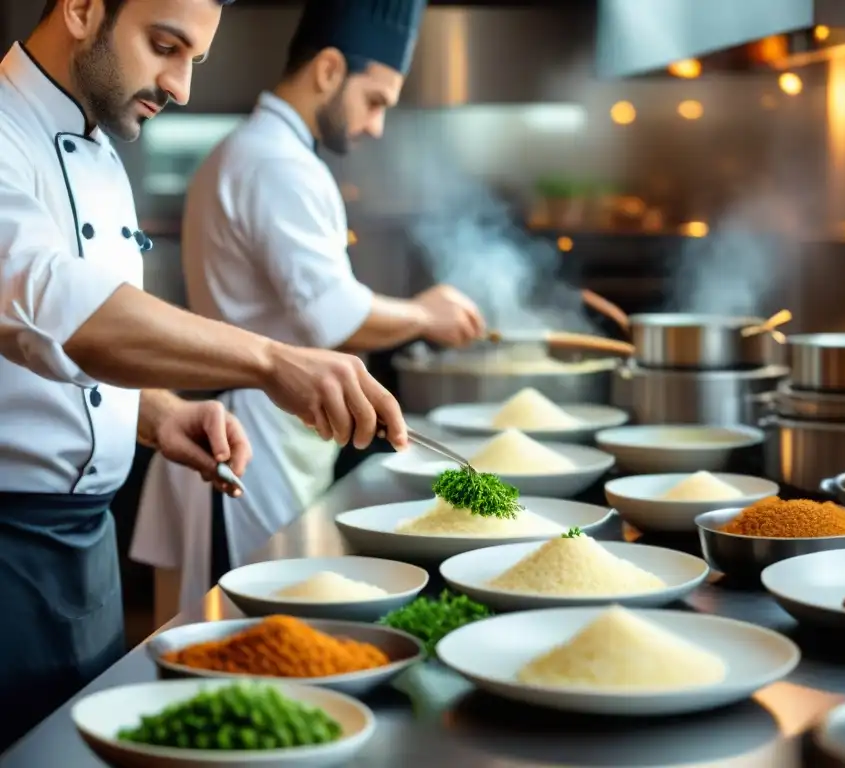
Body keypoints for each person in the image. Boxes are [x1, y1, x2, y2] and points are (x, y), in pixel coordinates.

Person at [0, 0, 408, 748]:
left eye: (194, 59)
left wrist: (154, 413)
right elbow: (53, 305)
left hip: (88, 560)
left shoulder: (99, 143)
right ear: (85, 8)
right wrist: (269, 359)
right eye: (165, 46)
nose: (182, 86)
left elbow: (45, 357)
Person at [131, 0, 485, 616]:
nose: (375, 125)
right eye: (374, 101)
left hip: (267, 433)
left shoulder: (271, 153)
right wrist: (426, 314)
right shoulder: (274, 162)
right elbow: (335, 317)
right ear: (328, 69)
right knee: (238, 635)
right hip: (245, 442)